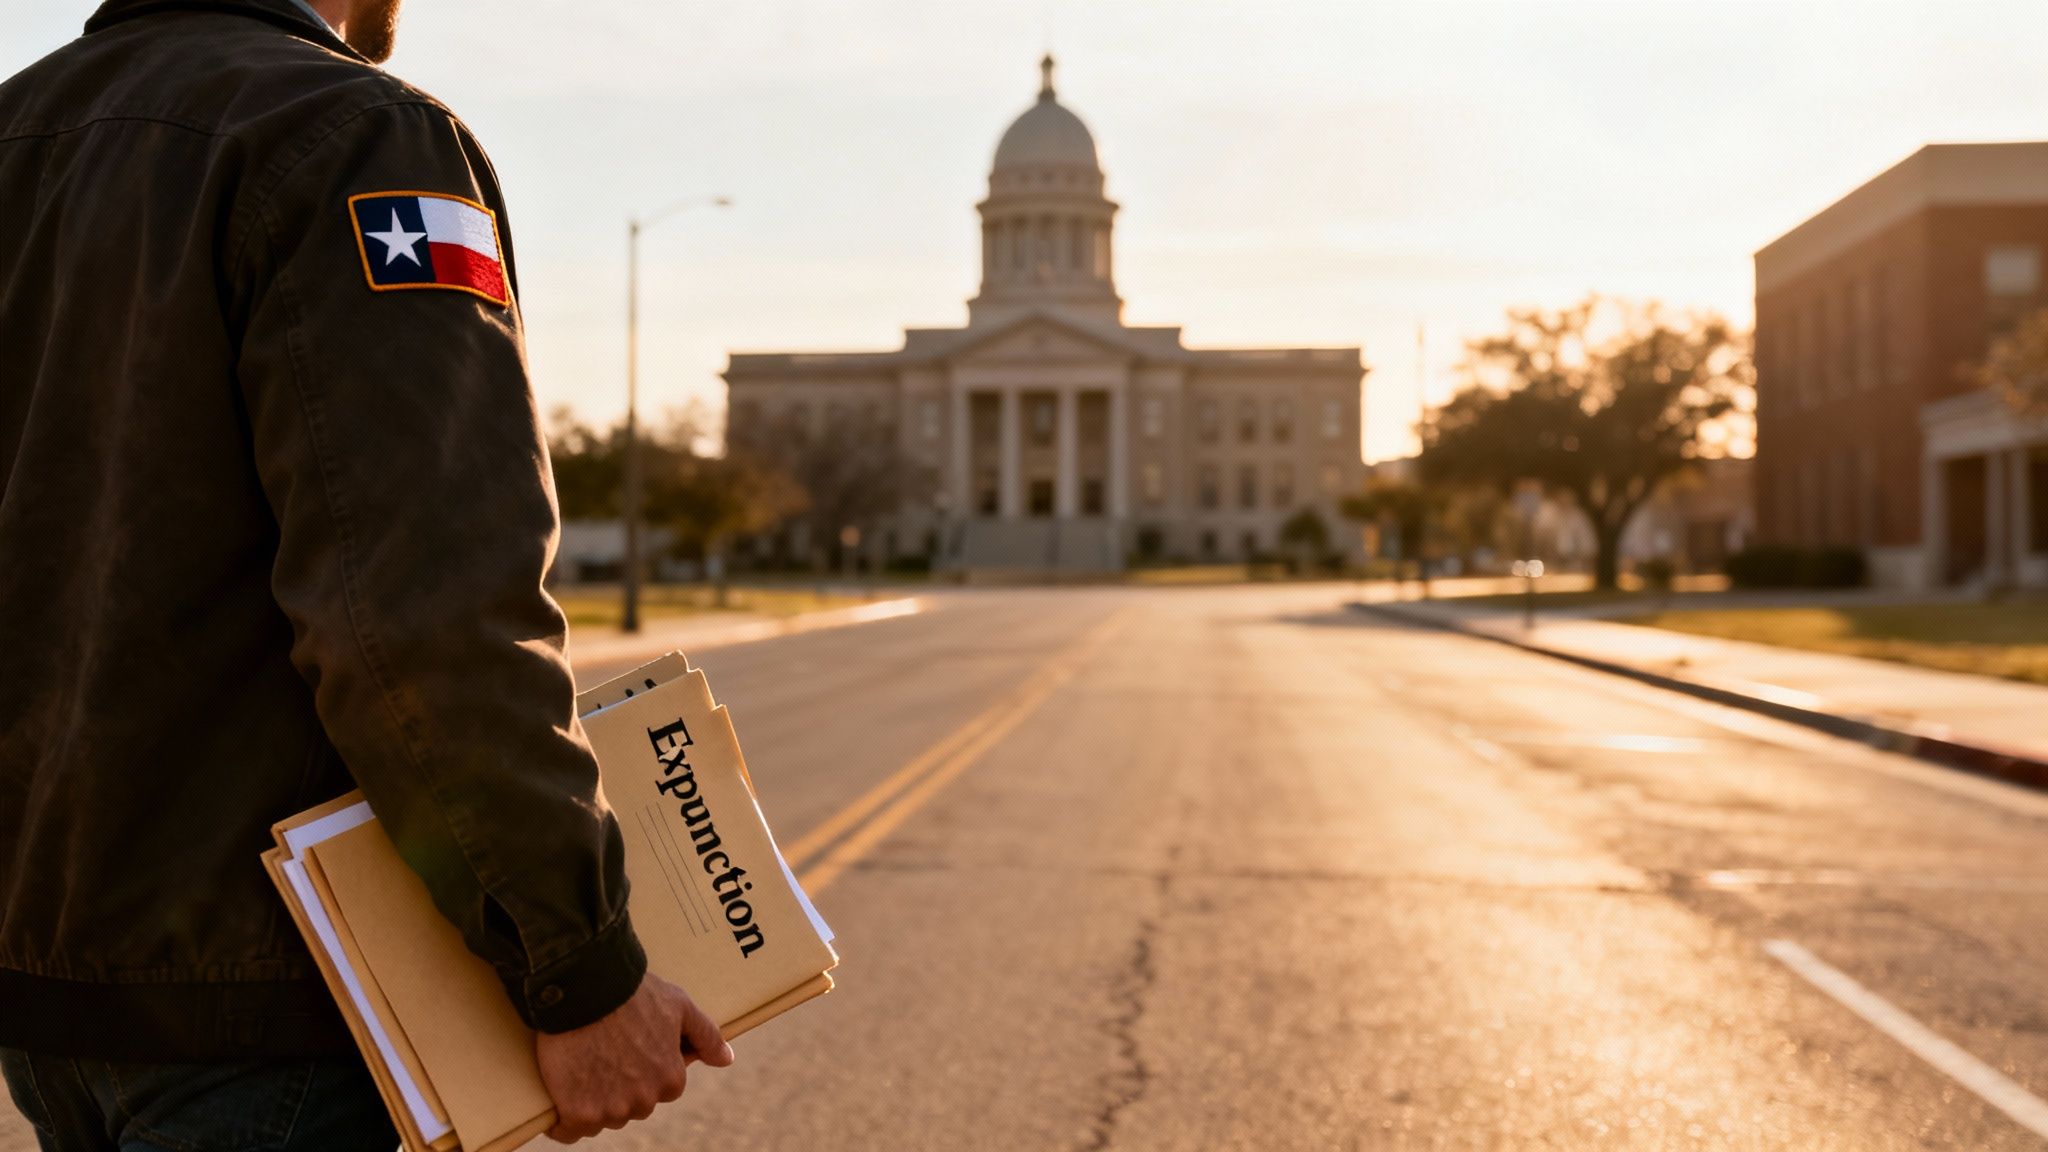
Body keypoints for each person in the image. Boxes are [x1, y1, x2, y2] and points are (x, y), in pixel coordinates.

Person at [0, 0, 731, 1146]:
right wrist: (575, 961)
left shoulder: (18, 134)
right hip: (267, 1000)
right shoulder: (351, 136)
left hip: (47, 996)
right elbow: (425, 615)